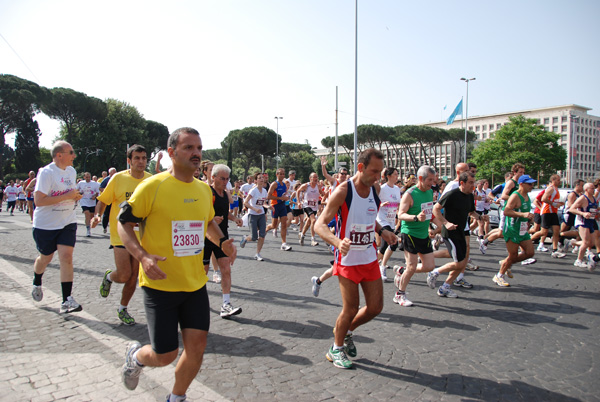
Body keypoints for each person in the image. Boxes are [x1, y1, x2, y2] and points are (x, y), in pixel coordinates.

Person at [118, 128, 236, 401]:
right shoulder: (152, 186)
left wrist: (223, 243)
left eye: (199, 148)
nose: (196, 153)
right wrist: (143, 256)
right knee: (165, 354)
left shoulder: (203, 191)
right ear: (171, 153)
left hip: (194, 284)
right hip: (160, 285)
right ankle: (136, 356)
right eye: (189, 148)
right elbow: (123, 223)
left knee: (197, 348)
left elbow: (207, 223)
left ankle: (177, 397)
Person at [315, 148, 396, 369]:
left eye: (380, 172)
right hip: (348, 259)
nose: (378, 177)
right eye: (374, 171)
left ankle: (348, 330)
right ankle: (336, 348)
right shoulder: (343, 190)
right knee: (351, 308)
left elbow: (370, 217)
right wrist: (337, 242)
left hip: (369, 257)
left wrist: (383, 231)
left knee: (375, 307)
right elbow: (319, 224)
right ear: (360, 168)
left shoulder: (375, 189)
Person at [92, 145, 152, 325]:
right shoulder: (118, 178)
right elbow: (103, 201)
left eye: (144, 158)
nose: (141, 161)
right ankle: (110, 276)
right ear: (129, 160)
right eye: (137, 158)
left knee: (133, 277)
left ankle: (122, 309)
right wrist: (97, 216)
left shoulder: (151, 180)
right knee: (125, 275)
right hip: (120, 234)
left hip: (141, 235)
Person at [31, 141, 83, 313]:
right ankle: (37, 280)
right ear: (59, 155)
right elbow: (39, 201)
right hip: (46, 225)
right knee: (45, 258)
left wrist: (75, 196)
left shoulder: (71, 171)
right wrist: (66, 196)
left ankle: (66, 300)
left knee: (66, 257)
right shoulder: (46, 173)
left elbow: (69, 192)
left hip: (67, 221)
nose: (74, 155)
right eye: (71, 152)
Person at [427, 172, 482, 298]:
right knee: (459, 263)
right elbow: (436, 209)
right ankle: (435, 272)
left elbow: (471, 212)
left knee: (462, 263)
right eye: (470, 183)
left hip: (461, 232)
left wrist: (480, 217)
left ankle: (445, 287)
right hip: (450, 233)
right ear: (462, 183)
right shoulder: (452, 194)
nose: (472, 186)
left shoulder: (469, 196)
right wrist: (446, 223)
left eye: (474, 183)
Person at [393, 165, 439, 307]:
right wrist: (415, 217)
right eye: (430, 180)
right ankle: (399, 294)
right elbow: (400, 214)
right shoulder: (410, 194)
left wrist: (439, 225)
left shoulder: (430, 192)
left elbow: (429, 214)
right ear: (420, 178)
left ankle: (402, 271)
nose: (432, 182)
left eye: (433, 179)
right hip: (410, 234)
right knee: (412, 266)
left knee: (429, 266)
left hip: (423, 234)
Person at [204, 164, 244, 317]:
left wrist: (234, 218)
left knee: (226, 269)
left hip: (222, 236)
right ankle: (196, 301)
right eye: (222, 178)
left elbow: (224, 212)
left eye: (227, 179)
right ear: (213, 177)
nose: (225, 181)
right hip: (207, 236)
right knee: (203, 272)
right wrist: (210, 219)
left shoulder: (225, 193)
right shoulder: (207, 192)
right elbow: (199, 212)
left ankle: (226, 304)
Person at [493, 175, 536, 287]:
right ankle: (499, 276)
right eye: (530, 184)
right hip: (512, 229)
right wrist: (522, 214)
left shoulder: (526, 196)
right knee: (513, 255)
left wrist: (529, 218)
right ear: (521, 184)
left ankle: (505, 263)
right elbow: (506, 211)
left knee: (530, 253)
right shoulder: (515, 196)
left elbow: (524, 212)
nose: (532, 186)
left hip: (522, 230)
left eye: (532, 184)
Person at [376, 167, 401, 281]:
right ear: (388, 176)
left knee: (393, 245)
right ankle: (381, 267)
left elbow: (399, 205)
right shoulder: (382, 189)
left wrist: (400, 216)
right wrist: (381, 205)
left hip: (391, 220)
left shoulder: (397, 189)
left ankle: (376, 264)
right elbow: (374, 200)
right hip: (382, 220)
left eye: (397, 174)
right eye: (395, 174)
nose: (397, 177)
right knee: (388, 242)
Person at [570, 183, 600, 270]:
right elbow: (572, 209)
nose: (593, 189)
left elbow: (593, 209)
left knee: (590, 243)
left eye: (594, 188)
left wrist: (597, 213)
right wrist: (583, 213)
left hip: (590, 221)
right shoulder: (582, 198)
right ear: (586, 189)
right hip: (582, 221)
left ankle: (573, 243)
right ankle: (578, 260)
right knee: (586, 242)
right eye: (591, 188)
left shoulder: (593, 198)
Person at [240, 172, 268, 261]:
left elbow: (263, 203)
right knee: (254, 237)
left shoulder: (264, 191)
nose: (262, 179)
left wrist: (268, 207)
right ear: (256, 181)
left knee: (262, 235)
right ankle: (245, 238)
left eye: (262, 178)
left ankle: (258, 253)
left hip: (261, 215)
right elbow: (245, 202)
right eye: (259, 178)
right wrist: (254, 209)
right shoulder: (253, 190)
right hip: (253, 214)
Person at [265, 168, 293, 251]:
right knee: (274, 226)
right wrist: (280, 198)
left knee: (284, 224)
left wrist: (286, 197)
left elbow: (284, 194)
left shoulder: (284, 185)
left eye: (283, 174)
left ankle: (283, 243)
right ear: (277, 175)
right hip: (275, 206)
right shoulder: (274, 184)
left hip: (282, 206)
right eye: (280, 174)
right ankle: (265, 230)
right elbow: (268, 196)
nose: (282, 175)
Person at [298, 172, 324, 246]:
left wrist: (326, 194)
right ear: (310, 178)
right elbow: (298, 191)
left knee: (309, 222)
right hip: (307, 205)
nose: (316, 179)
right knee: (313, 220)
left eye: (317, 177)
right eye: (314, 177)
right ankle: (313, 239)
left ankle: (302, 235)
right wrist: (299, 201)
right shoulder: (306, 185)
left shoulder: (318, 186)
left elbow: (322, 193)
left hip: (314, 206)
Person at [77, 172, 101, 237]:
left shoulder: (94, 184)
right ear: (84, 177)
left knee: (91, 216)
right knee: (87, 213)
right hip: (83, 200)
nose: (88, 178)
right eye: (86, 177)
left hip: (91, 201)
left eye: (89, 177)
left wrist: (95, 196)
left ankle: (89, 226)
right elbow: (77, 190)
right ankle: (88, 229)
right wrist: (80, 193)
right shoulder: (81, 183)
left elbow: (98, 192)